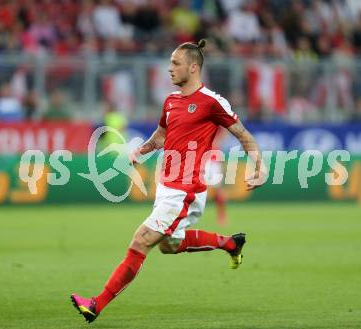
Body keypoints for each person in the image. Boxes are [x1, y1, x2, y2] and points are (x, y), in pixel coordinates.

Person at [71, 39, 263, 323]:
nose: (169, 68)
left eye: (176, 63)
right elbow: (161, 136)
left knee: (141, 241)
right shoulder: (171, 101)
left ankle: (95, 305)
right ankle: (230, 243)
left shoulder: (212, 101)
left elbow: (244, 135)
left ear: (193, 67)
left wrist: (260, 167)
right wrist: (141, 151)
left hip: (186, 190)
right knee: (168, 245)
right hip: (167, 186)